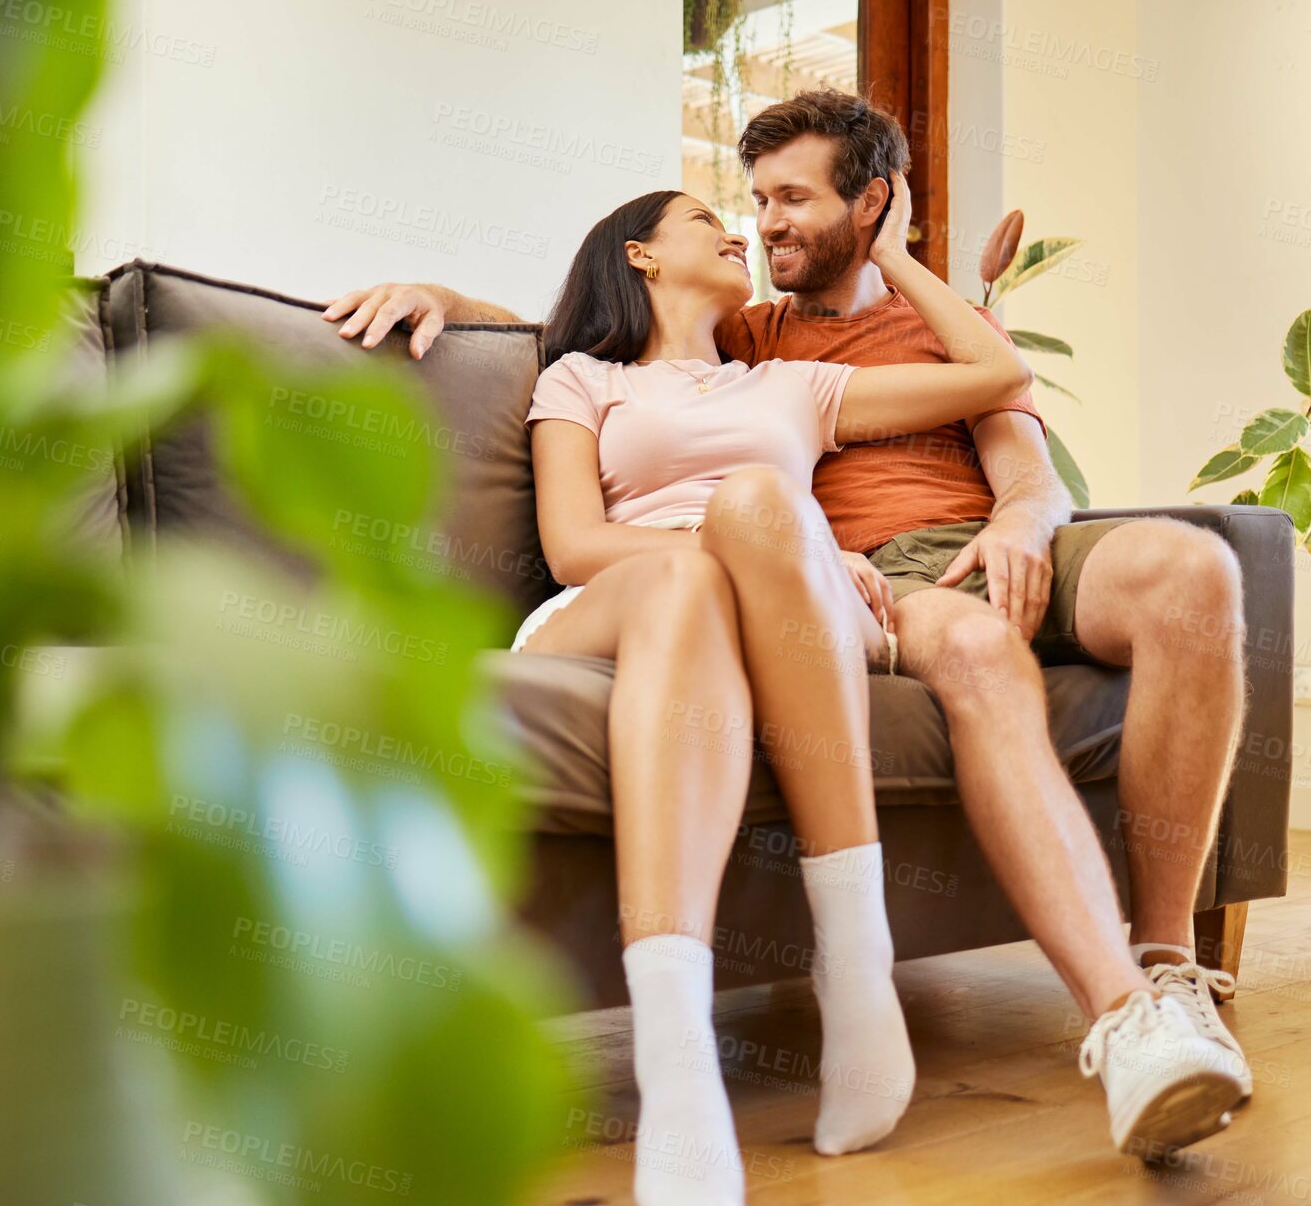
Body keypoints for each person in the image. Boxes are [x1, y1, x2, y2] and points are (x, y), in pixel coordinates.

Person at [323, 95, 1251, 1161]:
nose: (757, 225)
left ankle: (1161, 970)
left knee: (1190, 566)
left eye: (788, 200)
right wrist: (434, 294)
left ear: (871, 202)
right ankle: (991, 1010)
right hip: (784, 582)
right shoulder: (710, 344)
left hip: (905, 556)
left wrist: (1011, 518)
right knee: (846, 578)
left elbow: (1016, 429)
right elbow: (577, 338)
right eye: (745, 203)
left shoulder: (817, 368)